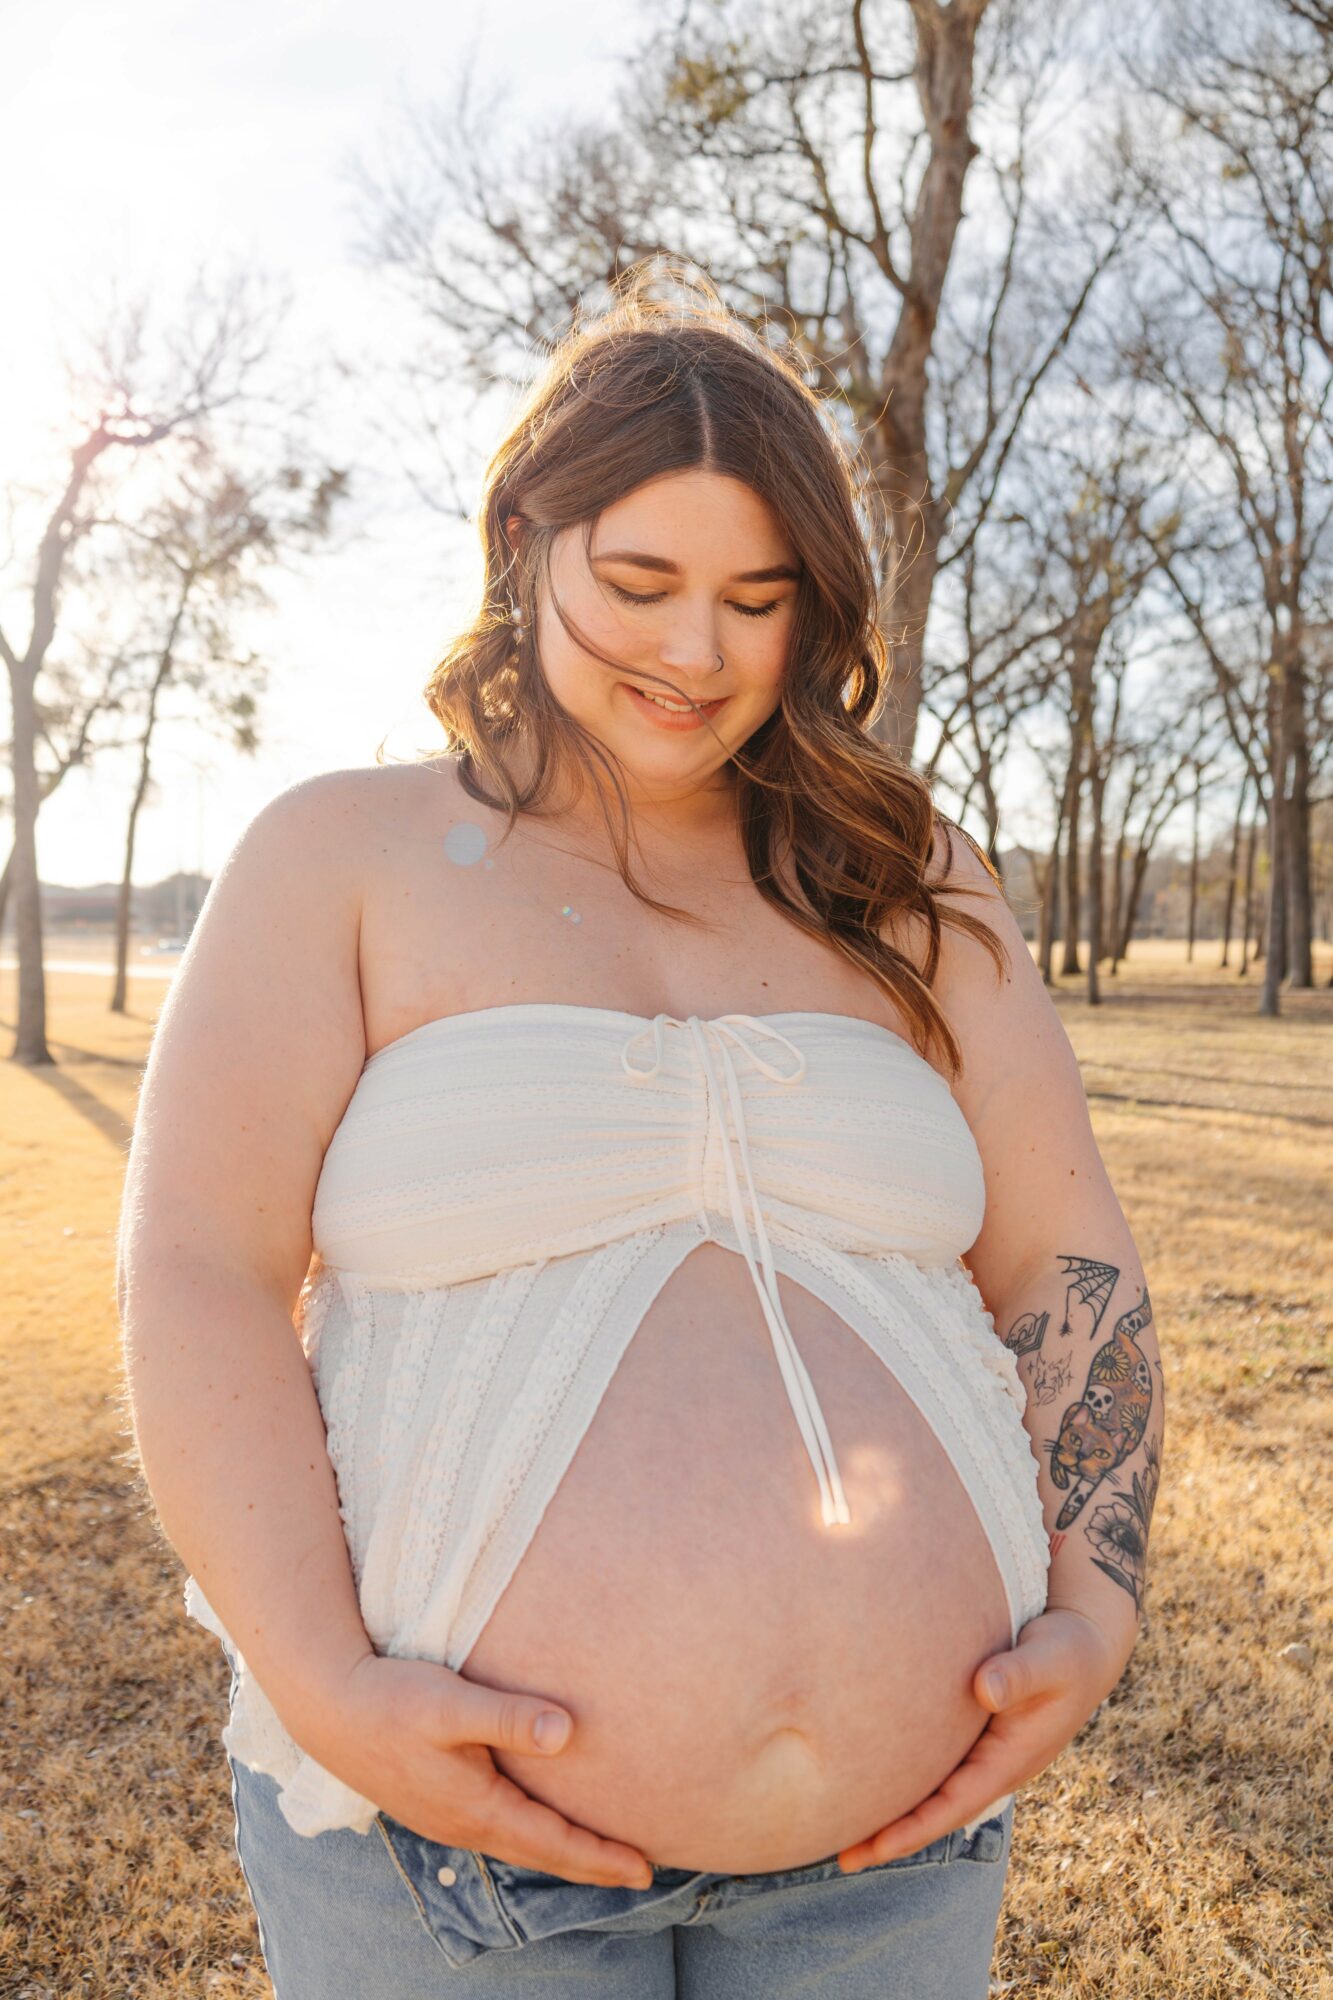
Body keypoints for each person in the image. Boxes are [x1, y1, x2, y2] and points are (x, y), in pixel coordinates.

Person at [117, 262, 1164, 1998]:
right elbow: (203, 1273)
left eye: (755, 599)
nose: (697, 653)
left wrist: (1095, 1605)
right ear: (522, 538)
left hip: (895, 1853)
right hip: (440, 1843)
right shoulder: (339, 857)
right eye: (640, 583)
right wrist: (324, 1684)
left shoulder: (910, 887)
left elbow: (1068, 1260)